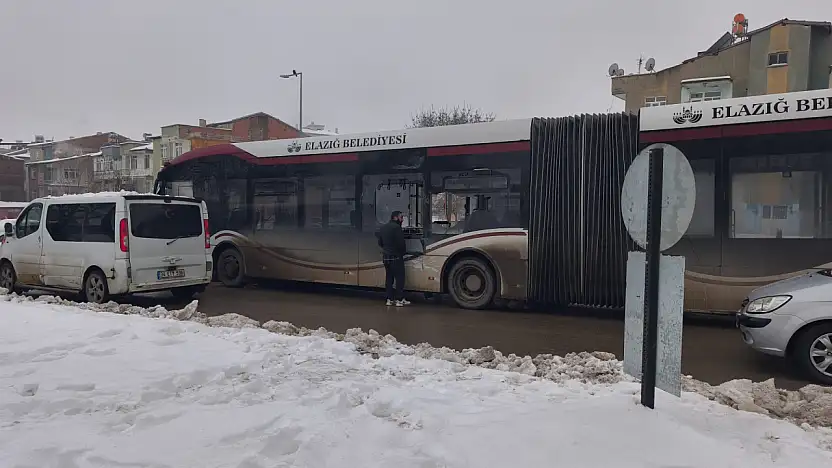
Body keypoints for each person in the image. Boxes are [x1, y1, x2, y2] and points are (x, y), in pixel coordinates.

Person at [376, 210, 410, 306]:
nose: (402, 219)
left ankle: (389, 299)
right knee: (400, 278)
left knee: (389, 278)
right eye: (401, 217)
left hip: (386, 257)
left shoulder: (383, 227)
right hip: (396, 257)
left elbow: (380, 243)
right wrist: (403, 253)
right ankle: (399, 299)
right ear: (395, 217)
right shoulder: (397, 228)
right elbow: (401, 243)